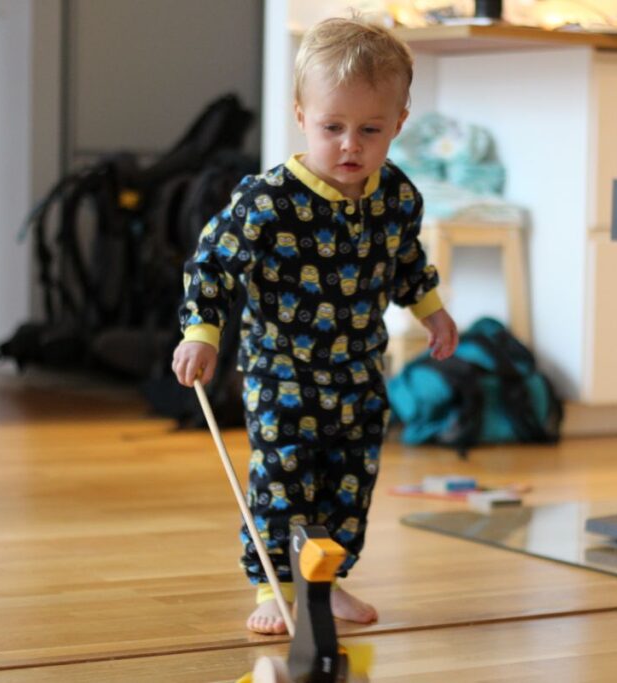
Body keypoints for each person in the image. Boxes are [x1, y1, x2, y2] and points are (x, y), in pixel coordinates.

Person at [172, 16, 458, 635]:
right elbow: (212, 262)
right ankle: (273, 585)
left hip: (359, 368)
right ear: (301, 115)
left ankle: (325, 584)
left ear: (398, 124)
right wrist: (202, 332)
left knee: (348, 479)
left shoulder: (397, 196)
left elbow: (405, 260)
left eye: (370, 129)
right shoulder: (267, 202)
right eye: (333, 128)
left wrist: (432, 312)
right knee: (283, 476)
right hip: (282, 372)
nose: (350, 145)